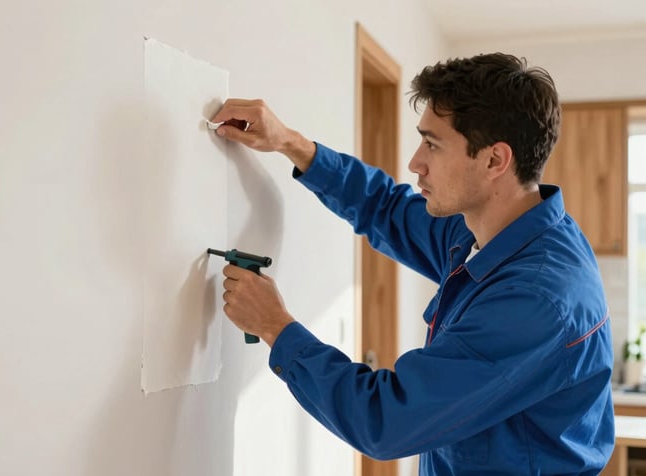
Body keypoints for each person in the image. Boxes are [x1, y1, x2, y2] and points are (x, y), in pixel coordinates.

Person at [210, 53, 615, 475]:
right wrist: (290, 143)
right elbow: (385, 207)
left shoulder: (535, 299)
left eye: (433, 144)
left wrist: (276, 327)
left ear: (495, 160)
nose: (415, 162)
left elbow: (385, 420)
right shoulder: (491, 231)